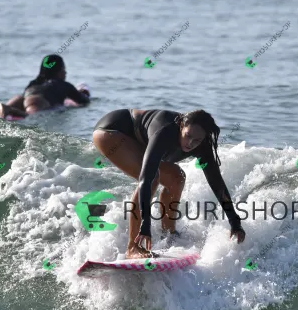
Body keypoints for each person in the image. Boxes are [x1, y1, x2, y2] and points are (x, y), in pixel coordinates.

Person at [92, 109, 246, 259]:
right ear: (181, 126)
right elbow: (146, 178)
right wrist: (145, 226)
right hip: (111, 132)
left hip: (136, 141)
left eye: (197, 140)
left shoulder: (203, 145)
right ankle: (133, 247)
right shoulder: (164, 132)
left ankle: (168, 234)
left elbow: (216, 182)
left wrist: (234, 221)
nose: (190, 143)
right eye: (188, 136)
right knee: (153, 178)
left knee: (176, 177)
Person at [0, 54, 90, 119]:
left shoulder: (34, 83)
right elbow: (83, 101)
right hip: (38, 101)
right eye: (64, 70)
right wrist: (83, 92)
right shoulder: (64, 85)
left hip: (23, 97)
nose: (66, 73)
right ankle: (9, 109)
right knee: (30, 115)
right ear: (59, 71)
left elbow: (28, 97)